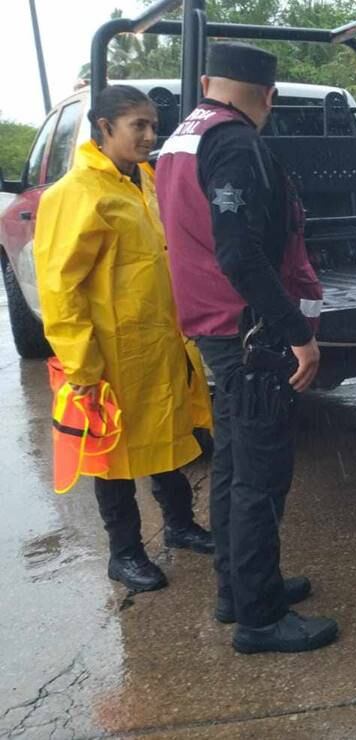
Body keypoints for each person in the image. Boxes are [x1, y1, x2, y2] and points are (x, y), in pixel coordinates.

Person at [156, 42, 336, 654]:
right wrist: (298, 332)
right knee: (261, 477)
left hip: (212, 327)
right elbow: (238, 251)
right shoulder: (234, 142)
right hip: (247, 333)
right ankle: (260, 619)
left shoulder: (184, 133)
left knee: (234, 464)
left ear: (208, 80)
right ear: (268, 96)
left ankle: (239, 589)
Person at [33, 85, 214, 593]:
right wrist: (82, 367)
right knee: (113, 456)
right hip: (110, 354)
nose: (149, 136)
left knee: (172, 437)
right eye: (138, 125)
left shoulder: (146, 181)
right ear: (104, 126)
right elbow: (60, 288)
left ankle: (180, 525)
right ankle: (125, 552)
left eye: (153, 126)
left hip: (160, 343)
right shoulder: (76, 194)